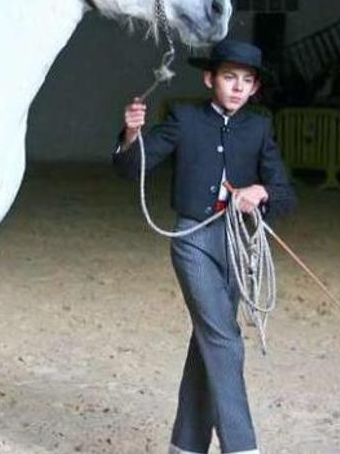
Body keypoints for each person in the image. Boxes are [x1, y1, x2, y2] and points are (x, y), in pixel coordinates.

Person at [111, 39, 295, 454]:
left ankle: (186, 445)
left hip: (238, 240)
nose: (236, 87)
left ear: (255, 89)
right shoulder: (185, 118)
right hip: (192, 237)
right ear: (210, 78)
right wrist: (132, 133)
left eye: (246, 81)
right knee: (225, 339)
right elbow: (131, 168)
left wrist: (260, 191)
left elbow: (285, 194)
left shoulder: (259, 127)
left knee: (208, 342)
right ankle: (243, 447)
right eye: (229, 77)